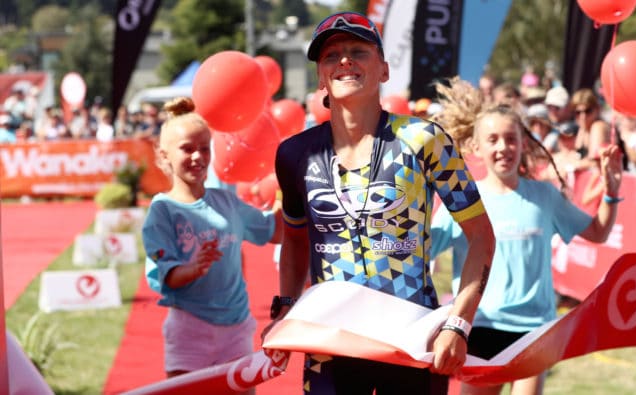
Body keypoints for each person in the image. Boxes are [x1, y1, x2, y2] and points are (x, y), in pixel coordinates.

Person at [266, 11, 495, 395]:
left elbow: (482, 237)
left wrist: (458, 323)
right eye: (330, 56)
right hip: (330, 342)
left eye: (358, 50)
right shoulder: (294, 154)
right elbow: (295, 240)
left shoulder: (424, 139)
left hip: (411, 337)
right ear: (321, 77)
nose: (344, 60)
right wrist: (286, 306)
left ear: (384, 70)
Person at [432, 77, 623, 395]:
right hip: (480, 326)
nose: (503, 148)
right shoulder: (463, 201)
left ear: (523, 142)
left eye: (510, 138)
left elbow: (599, 233)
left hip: (535, 330)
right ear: (476, 147)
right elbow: (422, 249)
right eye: (492, 140)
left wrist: (612, 192)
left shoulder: (545, 196)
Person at [141, 97, 282, 384]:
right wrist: (192, 268)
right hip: (189, 330)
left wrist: (287, 192)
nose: (198, 157)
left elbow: (275, 231)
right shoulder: (162, 210)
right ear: (165, 156)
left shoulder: (227, 202)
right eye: (187, 149)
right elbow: (165, 275)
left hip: (237, 327)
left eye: (204, 148)